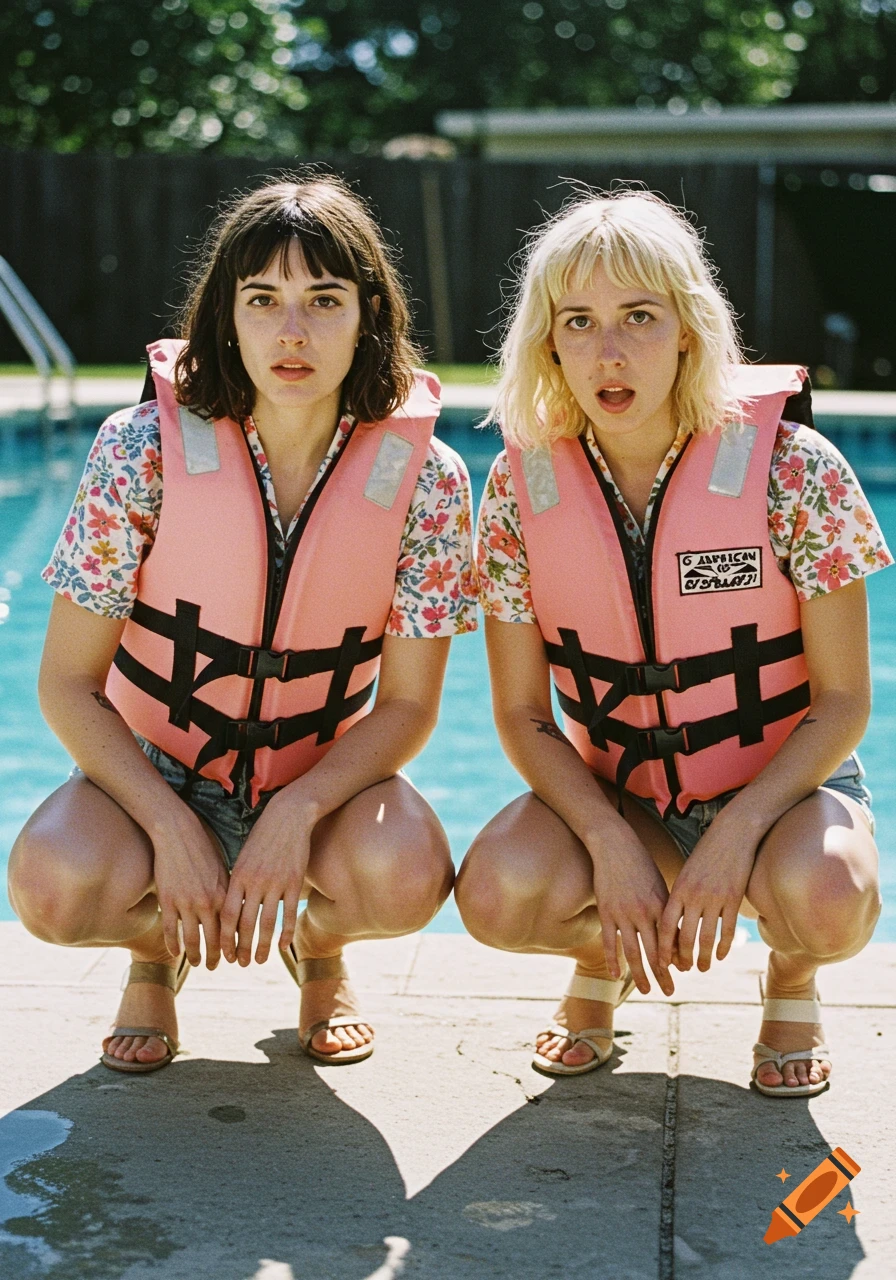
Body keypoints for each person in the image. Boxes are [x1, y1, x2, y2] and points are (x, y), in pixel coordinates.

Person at [9, 174, 476, 1072]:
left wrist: (297, 810)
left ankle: (320, 949)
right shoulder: (137, 448)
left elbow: (408, 709)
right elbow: (67, 686)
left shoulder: (430, 477)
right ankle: (155, 953)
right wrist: (171, 827)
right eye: (263, 300)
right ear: (227, 314)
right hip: (153, 766)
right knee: (54, 891)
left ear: (368, 313)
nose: (291, 332)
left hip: (320, 769)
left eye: (323, 301)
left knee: (407, 879)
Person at [455, 190, 889, 1094]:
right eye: (579, 322)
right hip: (622, 798)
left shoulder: (795, 468)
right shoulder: (516, 487)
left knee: (832, 902)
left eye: (639, 319)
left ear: (688, 330)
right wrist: (610, 844)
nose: (609, 352)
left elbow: (846, 702)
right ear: (549, 343)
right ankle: (604, 956)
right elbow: (524, 714)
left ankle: (792, 975)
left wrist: (734, 836)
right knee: (495, 897)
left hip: (784, 798)